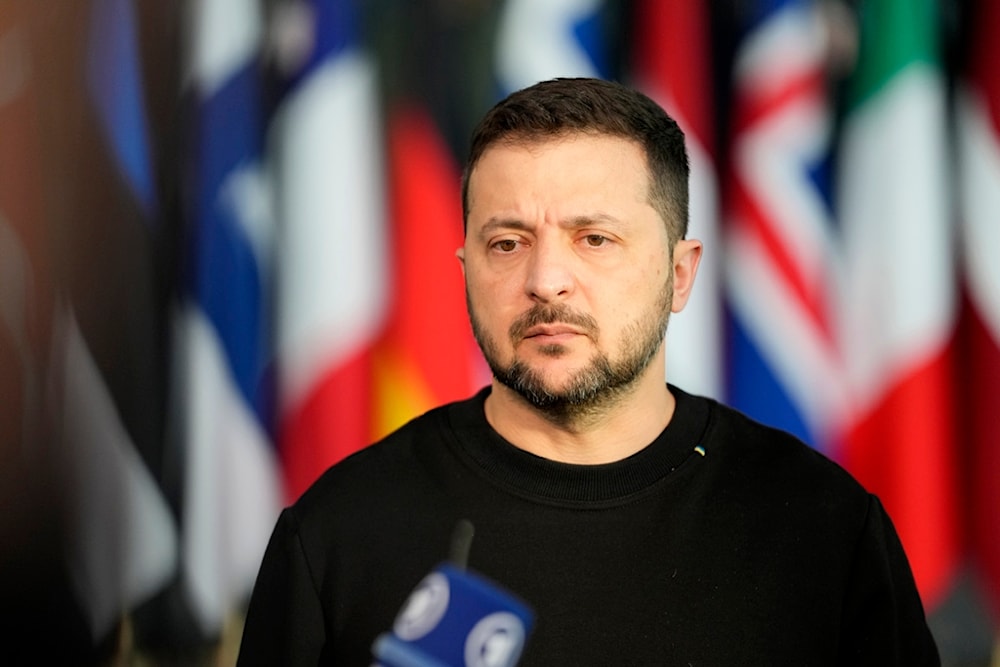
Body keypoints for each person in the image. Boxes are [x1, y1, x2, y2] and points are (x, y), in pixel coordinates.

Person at [237, 77, 939, 665]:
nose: (546, 279)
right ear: (465, 271)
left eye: (594, 238)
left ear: (680, 273)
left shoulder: (823, 531)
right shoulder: (338, 534)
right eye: (507, 242)